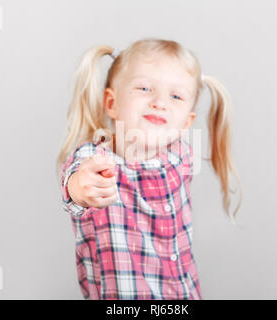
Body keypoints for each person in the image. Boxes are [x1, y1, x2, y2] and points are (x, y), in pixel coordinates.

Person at [56, 38, 242, 300]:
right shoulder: (96, 159)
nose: (160, 102)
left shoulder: (182, 156)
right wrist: (79, 186)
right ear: (111, 103)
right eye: (144, 88)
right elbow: (75, 183)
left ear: (186, 123)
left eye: (176, 96)